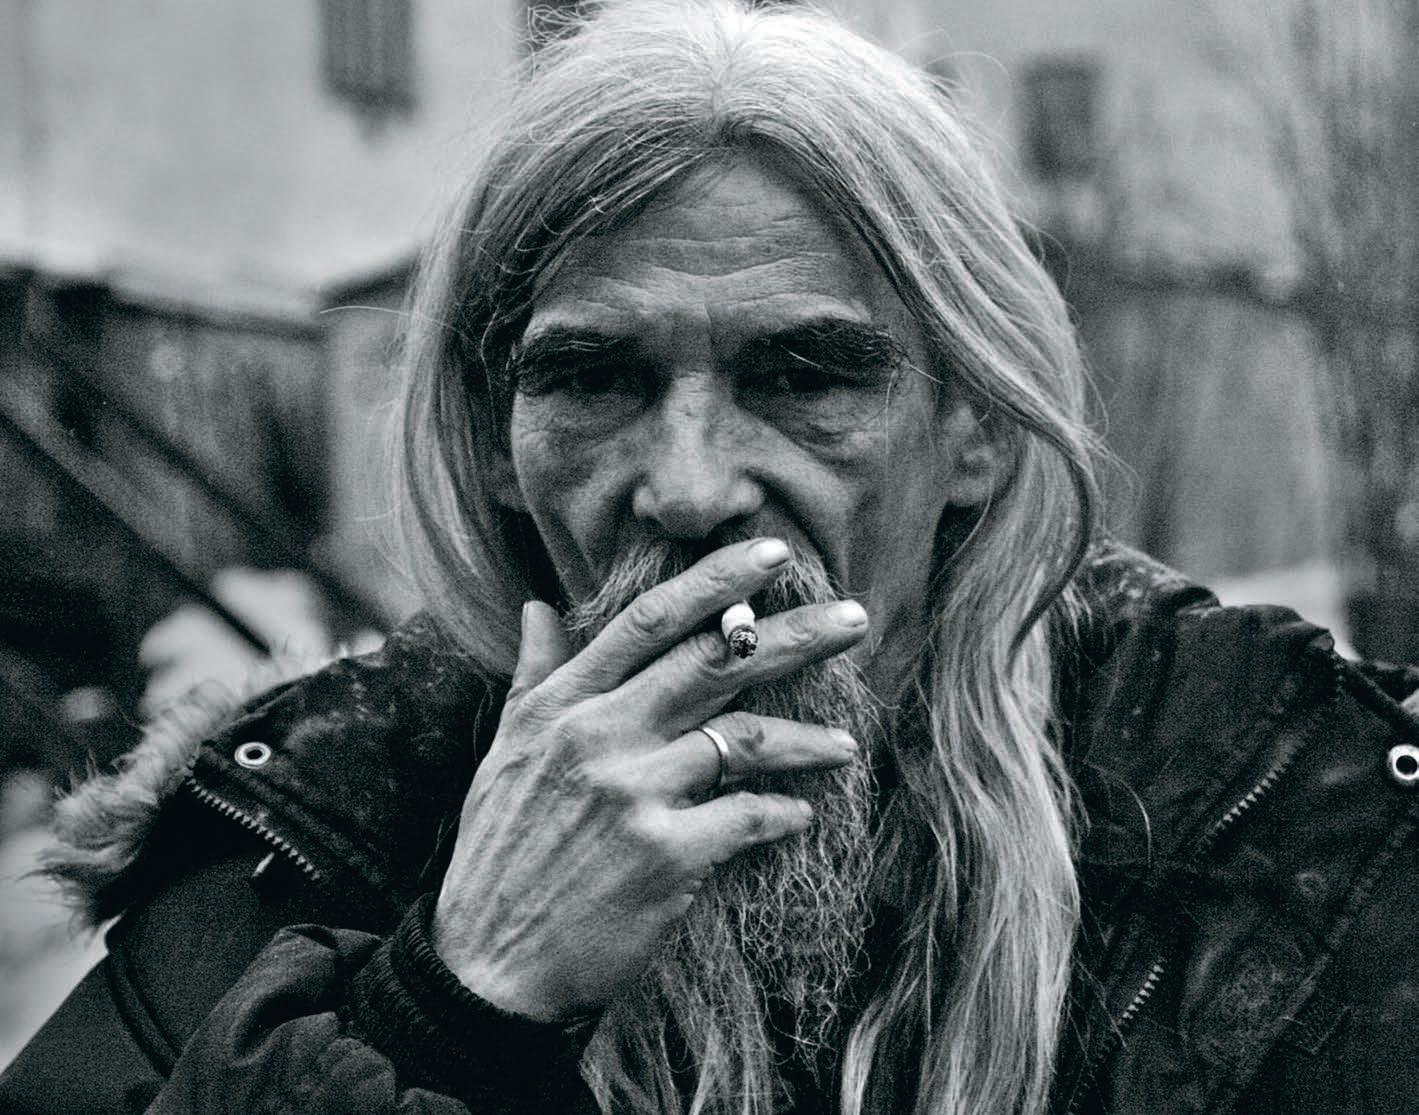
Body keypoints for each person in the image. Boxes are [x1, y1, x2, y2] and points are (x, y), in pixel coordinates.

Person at [4, 2, 1419, 1112]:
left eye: (805, 375)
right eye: (593, 378)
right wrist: (450, 1002)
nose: (688, 490)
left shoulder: (1299, 818)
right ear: (494, 441)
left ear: (977, 432)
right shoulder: (304, 839)